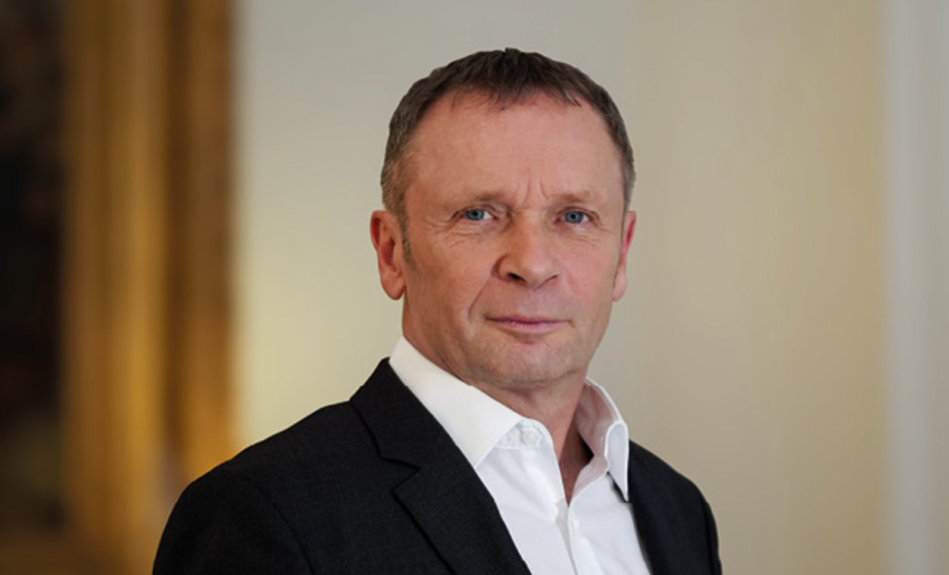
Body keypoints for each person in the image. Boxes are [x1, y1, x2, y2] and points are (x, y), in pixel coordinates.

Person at [154, 48, 722, 575]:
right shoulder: (261, 514)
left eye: (574, 217)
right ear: (391, 253)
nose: (532, 264)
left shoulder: (677, 510)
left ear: (622, 252)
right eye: (478, 214)